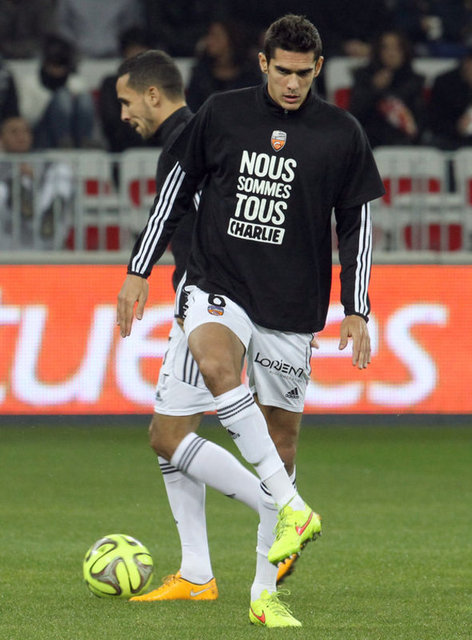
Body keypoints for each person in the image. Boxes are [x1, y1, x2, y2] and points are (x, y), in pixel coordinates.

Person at [117, 14, 385, 627]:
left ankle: (264, 594)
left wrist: (357, 306)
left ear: (319, 69)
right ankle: (288, 509)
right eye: (282, 71)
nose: (292, 84)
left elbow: (357, 224)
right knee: (214, 367)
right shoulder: (222, 113)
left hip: (290, 304)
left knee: (281, 444)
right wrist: (139, 268)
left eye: (303, 73)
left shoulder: (341, 133)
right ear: (263, 63)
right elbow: (175, 191)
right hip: (218, 283)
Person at [114, 49, 297, 617]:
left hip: (207, 300)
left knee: (169, 436)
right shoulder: (202, 134)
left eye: (126, 101)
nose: (123, 114)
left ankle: (279, 510)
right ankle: (197, 572)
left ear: (153, 94)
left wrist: (162, 281)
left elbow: (196, 219)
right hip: (206, 297)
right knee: (165, 433)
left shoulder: (189, 139)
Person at [0, 115, 74, 249]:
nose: (21, 137)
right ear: (2, 138)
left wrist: (35, 177)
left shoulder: (41, 162)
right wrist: (13, 175)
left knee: (62, 170)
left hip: (39, 215)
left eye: (25, 131)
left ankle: (50, 213)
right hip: (8, 234)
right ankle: (16, 194)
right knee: (4, 189)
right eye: (14, 132)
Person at [14, 34, 96, 149]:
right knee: (62, 97)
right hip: (42, 134)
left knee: (84, 97)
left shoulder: (77, 83)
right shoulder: (30, 83)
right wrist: (53, 103)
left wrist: (71, 102)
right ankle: (63, 141)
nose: (57, 69)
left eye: (61, 64)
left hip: (74, 136)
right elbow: (27, 119)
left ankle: (85, 142)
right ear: (45, 62)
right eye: (53, 64)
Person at [348, 30, 425, 148]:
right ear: (378, 51)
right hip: (370, 142)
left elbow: (420, 120)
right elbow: (355, 113)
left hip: (406, 144)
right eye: (386, 48)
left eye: (397, 48)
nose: (391, 53)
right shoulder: (364, 76)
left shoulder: (414, 80)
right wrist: (375, 89)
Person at [98, 27, 154, 154]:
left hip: (156, 151)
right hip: (120, 152)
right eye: (133, 54)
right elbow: (111, 123)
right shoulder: (111, 85)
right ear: (125, 56)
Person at [186, 19, 262, 112]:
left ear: (231, 40)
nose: (209, 41)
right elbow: (192, 109)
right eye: (209, 35)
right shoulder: (201, 74)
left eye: (215, 36)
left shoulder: (249, 75)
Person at [54, 0, 144, 58]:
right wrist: (75, 44)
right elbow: (62, 23)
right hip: (80, 57)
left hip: (116, 56)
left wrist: (122, 46)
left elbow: (131, 26)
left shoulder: (128, 2)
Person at [427, 49, 472, 149]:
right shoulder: (444, 82)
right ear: (467, 62)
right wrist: (457, 127)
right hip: (450, 139)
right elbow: (434, 120)